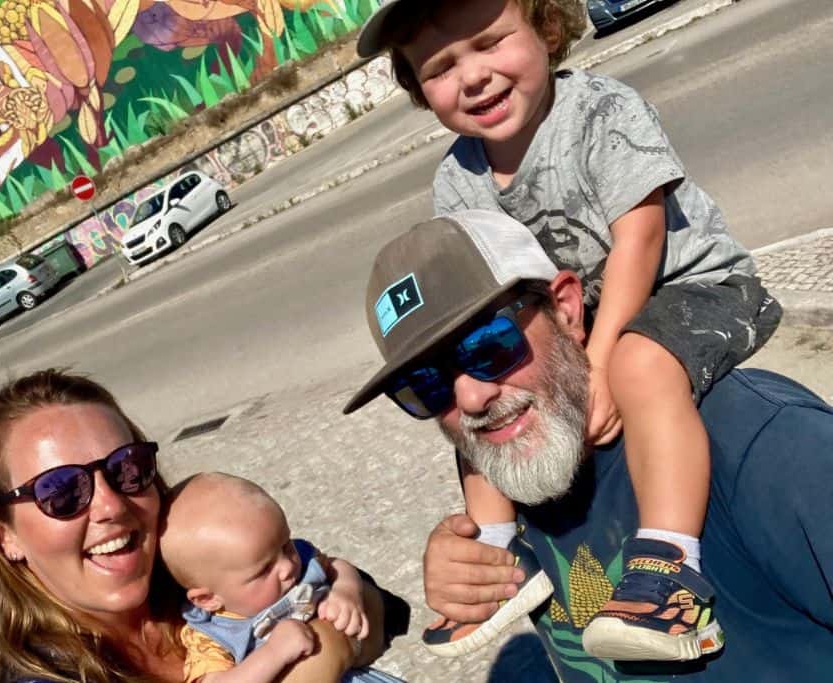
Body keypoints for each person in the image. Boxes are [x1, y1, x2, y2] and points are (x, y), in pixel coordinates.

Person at [353, 0, 782, 661]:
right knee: (473, 390)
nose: (473, 76)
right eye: (440, 67)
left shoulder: (601, 112)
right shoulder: (457, 178)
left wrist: (603, 359)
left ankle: (670, 574)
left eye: (491, 42)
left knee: (640, 365)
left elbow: (639, 236)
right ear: (417, 87)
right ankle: (501, 559)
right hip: (582, 312)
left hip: (696, 290)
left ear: (545, 27)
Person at [343, 210, 833, 680]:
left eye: (489, 348)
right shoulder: (510, 478)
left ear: (567, 309)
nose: (470, 398)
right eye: (425, 385)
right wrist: (468, 567)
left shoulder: (765, 445)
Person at [0, 368, 405, 683]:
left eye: (127, 467)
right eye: (61, 491)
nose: (111, 505)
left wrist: (329, 641)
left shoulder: (191, 563)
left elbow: (376, 607)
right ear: (4, 535)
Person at [159, 472, 404, 683]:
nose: (287, 566)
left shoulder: (300, 564)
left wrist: (346, 591)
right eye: (264, 570)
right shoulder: (213, 635)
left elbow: (334, 565)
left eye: (286, 545)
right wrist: (275, 652)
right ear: (208, 599)